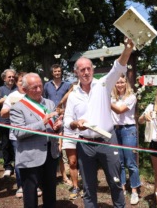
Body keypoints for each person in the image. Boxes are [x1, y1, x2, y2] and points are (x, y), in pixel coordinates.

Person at [64, 38, 134, 208]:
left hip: (107, 141)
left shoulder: (103, 84)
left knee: (116, 182)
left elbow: (118, 67)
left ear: (93, 69)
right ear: (76, 73)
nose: (86, 72)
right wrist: (75, 123)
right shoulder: (73, 95)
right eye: (82, 70)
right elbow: (66, 120)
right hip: (85, 144)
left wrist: (128, 49)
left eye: (89, 68)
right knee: (88, 186)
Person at [10, 73, 62, 208]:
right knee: (30, 192)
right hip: (30, 156)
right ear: (25, 89)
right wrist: (42, 122)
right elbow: (19, 132)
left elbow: (53, 126)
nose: (39, 90)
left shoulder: (49, 103)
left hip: (50, 153)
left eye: (40, 86)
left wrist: (57, 127)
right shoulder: (17, 108)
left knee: (50, 189)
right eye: (34, 87)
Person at [111, 74, 140, 205]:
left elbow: (120, 110)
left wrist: (107, 101)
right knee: (119, 162)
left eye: (122, 82)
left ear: (126, 83)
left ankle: (134, 191)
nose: (120, 85)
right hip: (115, 130)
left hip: (129, 130)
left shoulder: (131, 97)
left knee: (131, 162)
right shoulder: (112, 98)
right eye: (117, 83)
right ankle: (122, 188)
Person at [0, 72, 27, 198]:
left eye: (26, 80)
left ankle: (34, 185)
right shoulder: (12, 96)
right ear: (17, 82)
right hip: (16, 135)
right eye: (21, 80)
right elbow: (3, 113)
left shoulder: (34, 94)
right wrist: (16, 108)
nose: (23, 82)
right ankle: (21, 186)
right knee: (19, 161)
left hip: (33, 134)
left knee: (33, 159)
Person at [58, 83, 81, 199]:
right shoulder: (69, 97)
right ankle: (75, 186)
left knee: (84, 162)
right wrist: (72, 89)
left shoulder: (85, 97)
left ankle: (87, 187)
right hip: (69, 132)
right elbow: (59, 104)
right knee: (72, 162)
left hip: (82, 132)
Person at [0, 69, 17, 177]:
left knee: (16, 144)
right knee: (5, 144)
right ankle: (7, 166)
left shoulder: (18, 89)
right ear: (4, 79)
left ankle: (17, 164)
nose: (12, 78)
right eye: (9, 77)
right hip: (4, 121)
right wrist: (10, 99)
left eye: (13, 77)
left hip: (17, 121)